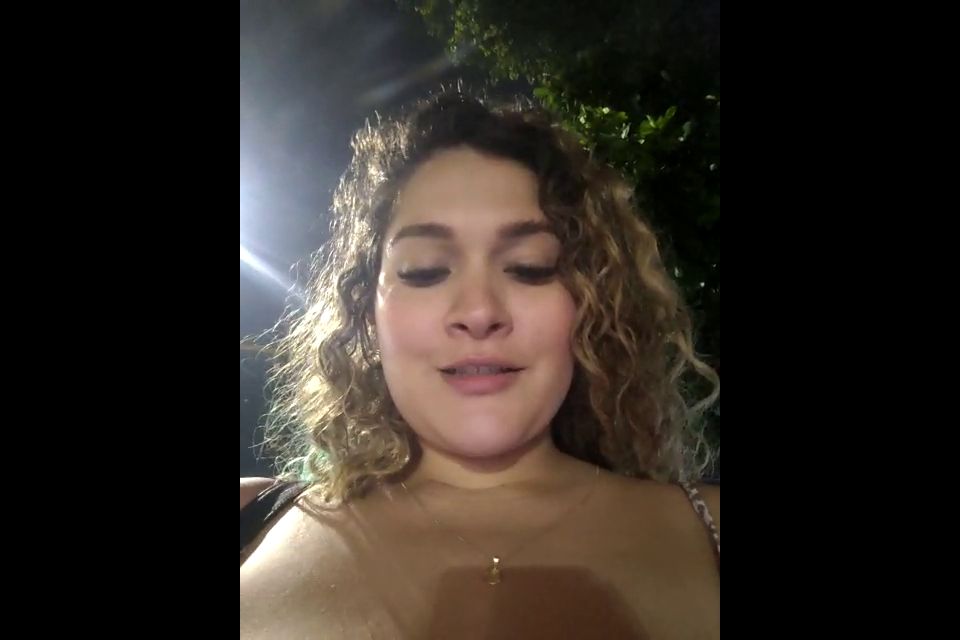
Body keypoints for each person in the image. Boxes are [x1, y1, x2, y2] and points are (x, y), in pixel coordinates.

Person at [240, 91, 719, 639]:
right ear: (367, 315)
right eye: (424, 271)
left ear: (590, 306)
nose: (479, 312)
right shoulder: (250, 516)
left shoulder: (709, 529)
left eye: (530, 267)